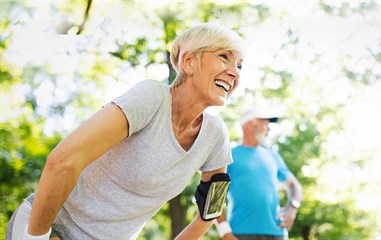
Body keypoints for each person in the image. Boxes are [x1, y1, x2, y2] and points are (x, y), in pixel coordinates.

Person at [5, 23, 244, 239]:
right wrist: (37, 237)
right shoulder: (153, 98)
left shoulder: (215, 136)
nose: (235, 73)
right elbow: (63, 161)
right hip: (49, 227)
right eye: (224, 57)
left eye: (240, 66)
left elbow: (211, 210)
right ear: (189, 62)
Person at [214, 108, 303, 240]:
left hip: (277, 233)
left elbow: (294, 185)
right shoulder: (229, 155)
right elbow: (214, 195)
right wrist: (225, 232)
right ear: (250, 124)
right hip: (240, 234)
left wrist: (293, 207)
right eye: (265, 123)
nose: (269, 129)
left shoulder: (273, 156)